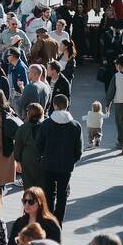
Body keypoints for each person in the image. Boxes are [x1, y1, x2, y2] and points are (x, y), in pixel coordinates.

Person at [37, 94, 82, 224]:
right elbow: (78, 150)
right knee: (62, 195)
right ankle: (59, 221)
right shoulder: (75, 125)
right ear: (67, 105)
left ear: (54, 105)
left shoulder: (46, 124)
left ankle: (49, 220)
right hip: (66, 166)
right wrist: (71, 160)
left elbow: (39, 145)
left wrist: (42, 157)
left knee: (49, 194)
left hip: (48, 165)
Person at [14, 103, 46, 189]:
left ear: (29, 114)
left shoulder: (22, 128)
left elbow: (17, 146)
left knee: (29, 184)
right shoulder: (46, 127)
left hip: (27, 159)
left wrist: (18, 161)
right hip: (43, 158)